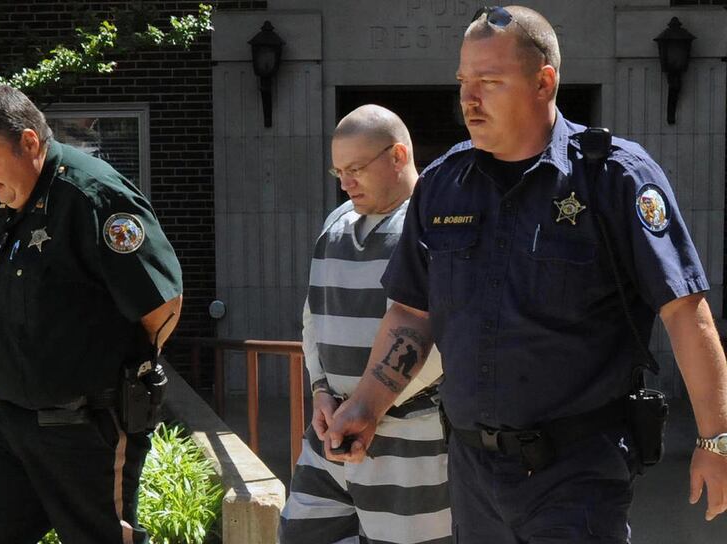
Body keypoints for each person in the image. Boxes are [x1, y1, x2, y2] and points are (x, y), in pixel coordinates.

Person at [326, 6, 727, 543]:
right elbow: (412, 310)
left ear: (544, 82)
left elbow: (684, 311)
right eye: (464, 82)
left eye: (489, 82)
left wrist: (715, 440)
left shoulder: (612, 177)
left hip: (576, 473)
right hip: (471, 474)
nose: (468, 99)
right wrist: (366, 404)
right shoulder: (445, 184)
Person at [0, 85, 183, 544]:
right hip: (10, 421)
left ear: (30, 143)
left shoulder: (92, 196)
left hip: (83, 429)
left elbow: (162, 305)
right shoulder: (14, 199)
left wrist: (115, 374)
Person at [279, 105, 452, 544]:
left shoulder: (439, 224)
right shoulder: (335, 222)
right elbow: (312, 316)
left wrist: (365, 405)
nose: (345, 182)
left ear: (398, 155)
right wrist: (320, 391)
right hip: (329, 435)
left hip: (412, 440)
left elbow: (442, 335)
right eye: (338, 170)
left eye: (356, 168)